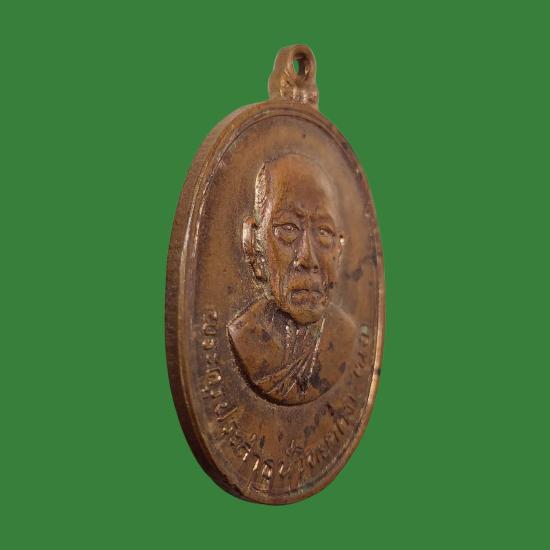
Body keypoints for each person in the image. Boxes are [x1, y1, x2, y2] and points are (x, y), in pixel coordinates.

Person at [228, 153, 357, 405]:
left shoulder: (343, 336)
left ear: (339, 251)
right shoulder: (244, 336)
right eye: (288, 228)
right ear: (254, 243)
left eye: (324, 232)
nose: (307, 258)